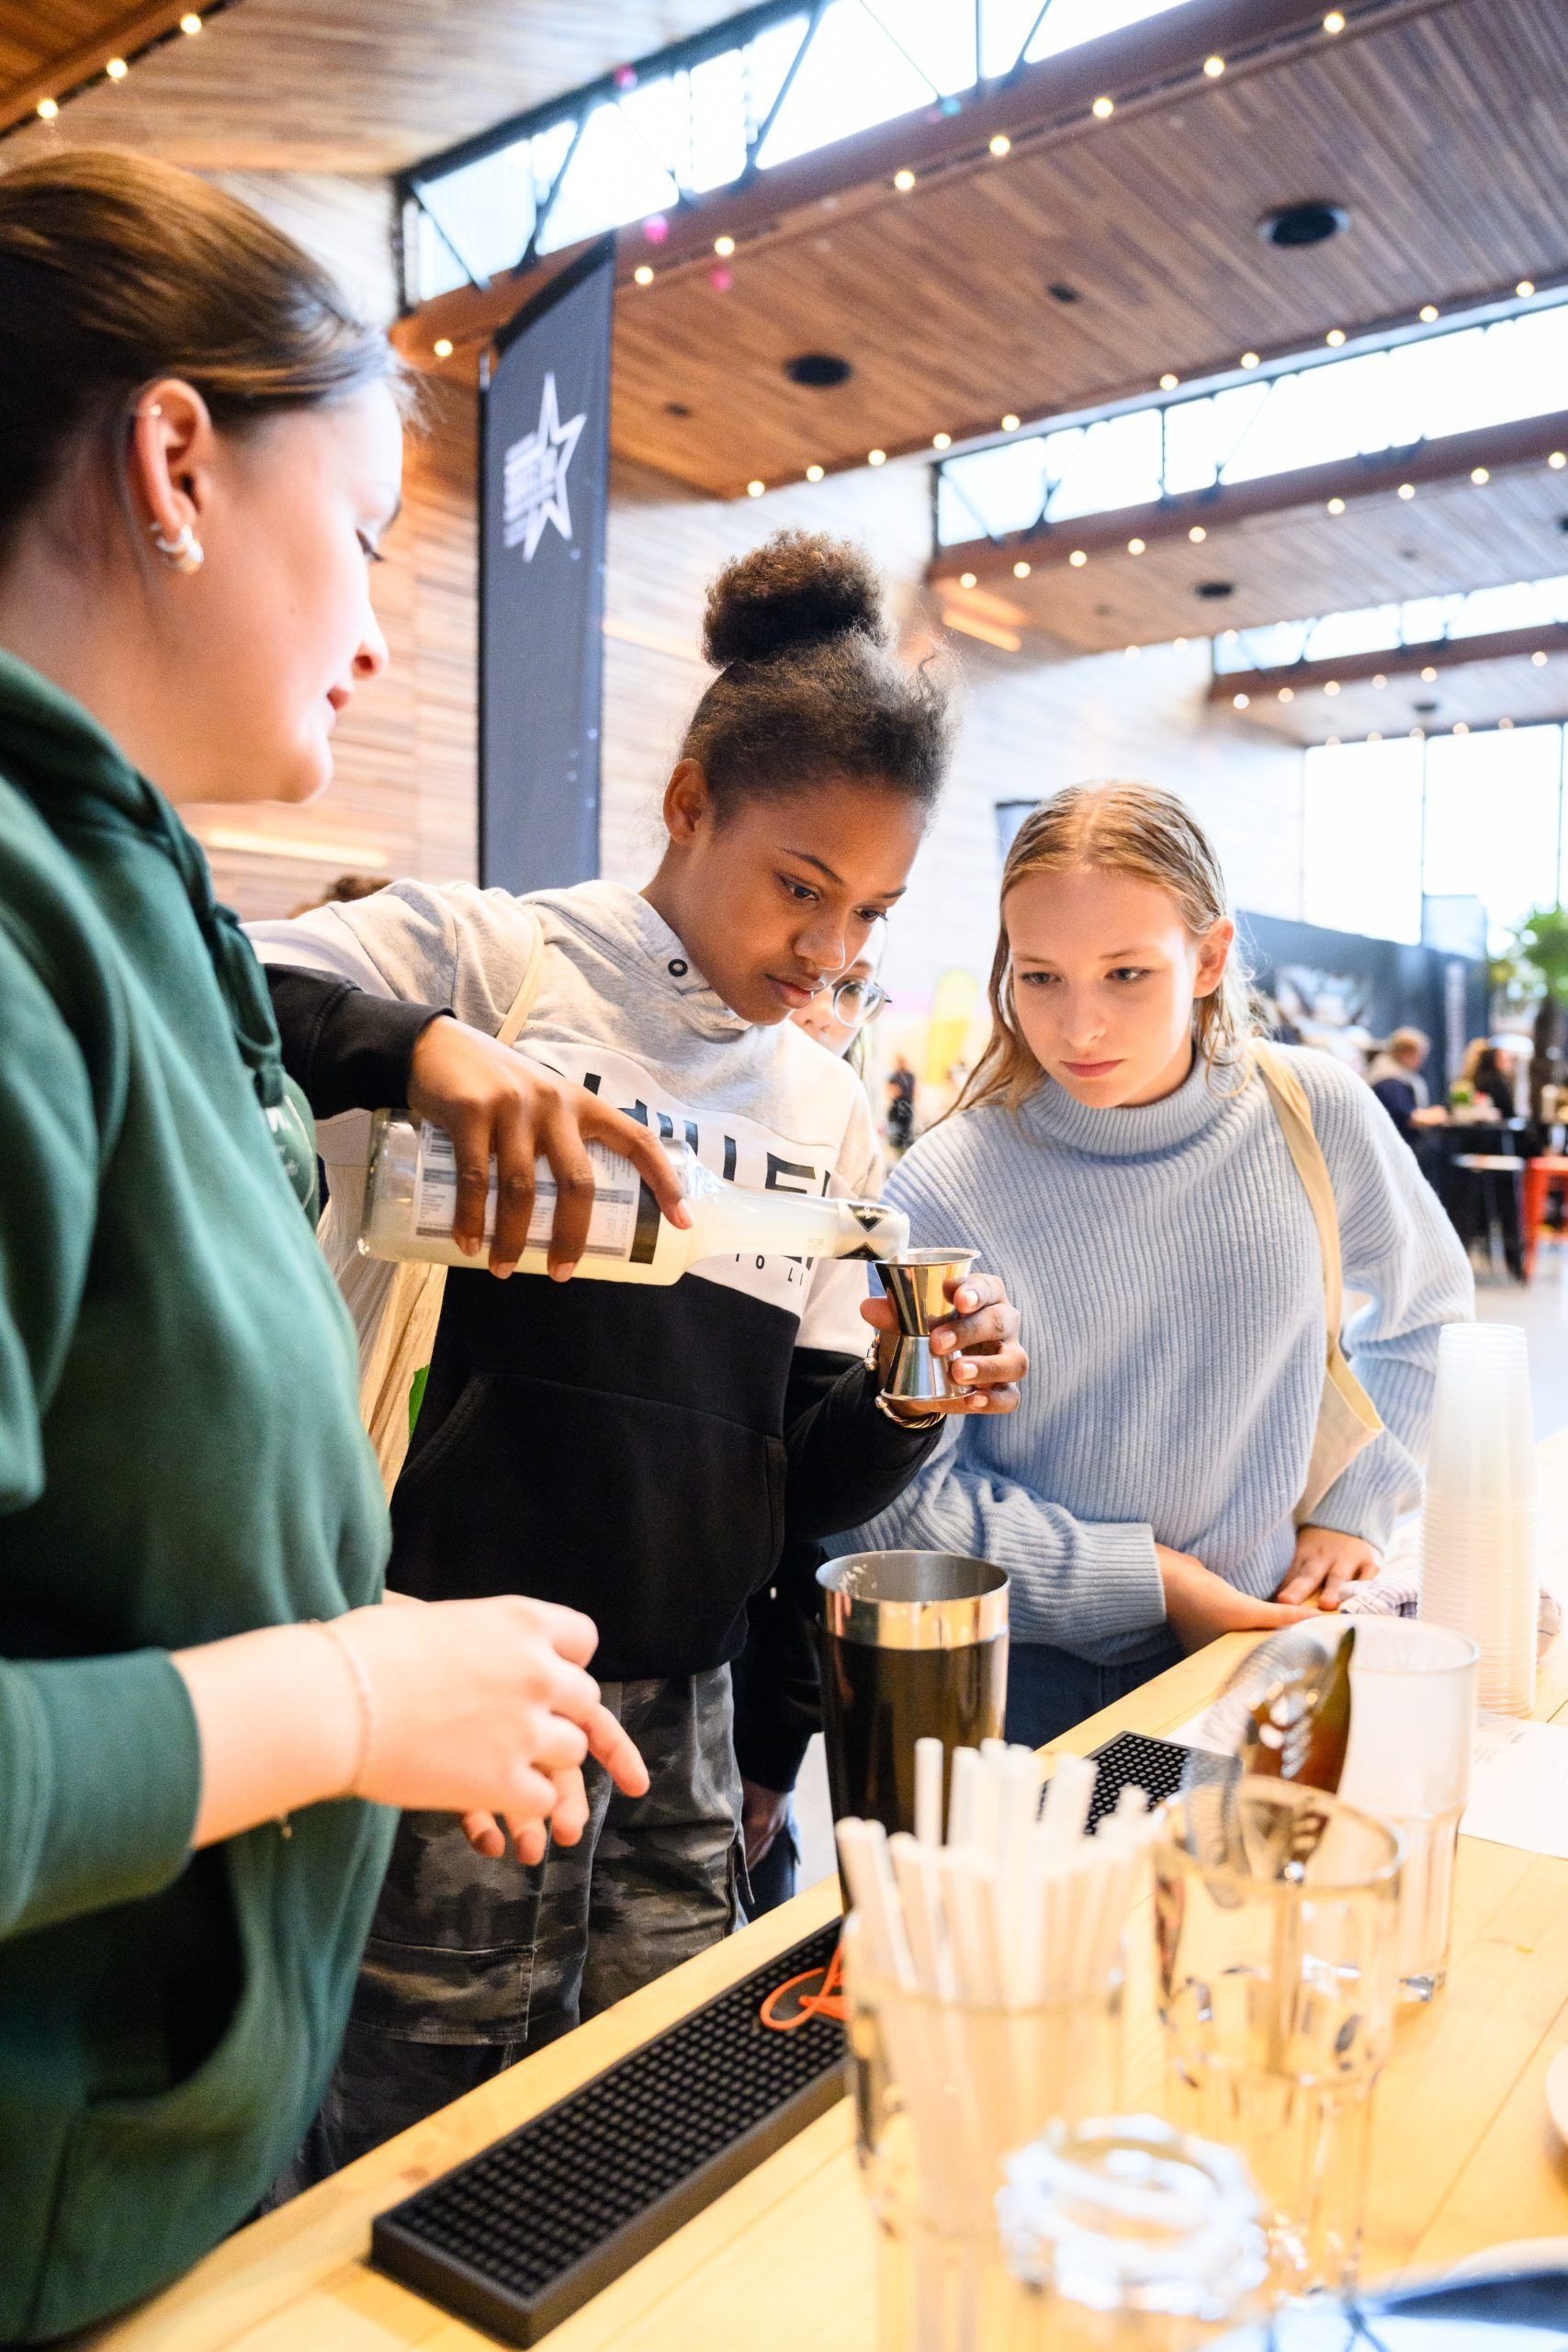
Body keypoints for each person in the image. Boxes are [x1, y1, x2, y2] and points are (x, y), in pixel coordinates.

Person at [0, 151, 682, 2338]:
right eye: (369, 533)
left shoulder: (124, 885)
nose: (383, 627)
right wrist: (351, 1687)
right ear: (176, 460)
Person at [249, 531, 1030, 2174]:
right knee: (410, 2166)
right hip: (451, 1702)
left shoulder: (825, 1110)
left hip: (678, 1735)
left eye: (869, 911)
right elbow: (202, 976)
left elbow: (797, 1478)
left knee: (660, 2166)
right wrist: (425, 1052)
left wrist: (909, 1388)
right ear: (689, 806)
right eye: (798, 886)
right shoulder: (489, 957)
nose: (827, 952)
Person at [845, 782, 1472, 1746]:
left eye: (1127, 974)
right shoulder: (947, 1184)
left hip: (1271, 1654)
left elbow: (1426, 1312)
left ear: (1210, 957)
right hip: (1030, 1691)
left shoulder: (1310, 1109)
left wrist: (1358, 1502)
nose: (1078, 1026)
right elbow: (893, 1514)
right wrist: (1153, 1583)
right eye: (1041, 976)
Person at [735, 938, 889, 1911]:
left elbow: (803, 1498)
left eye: (854, 989)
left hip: (729, 1689)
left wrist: (777, 1739)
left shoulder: (834, 1119)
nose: (824, 1006)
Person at [1368, 1026, 1445, 1153]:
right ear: (1406, 1054)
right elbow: (1406, 1117)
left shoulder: (1397, 1074)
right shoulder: (1389, 1079)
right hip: (1394, 1147)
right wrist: (1434, 1116)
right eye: (1419, 1055)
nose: (1421, 1061)